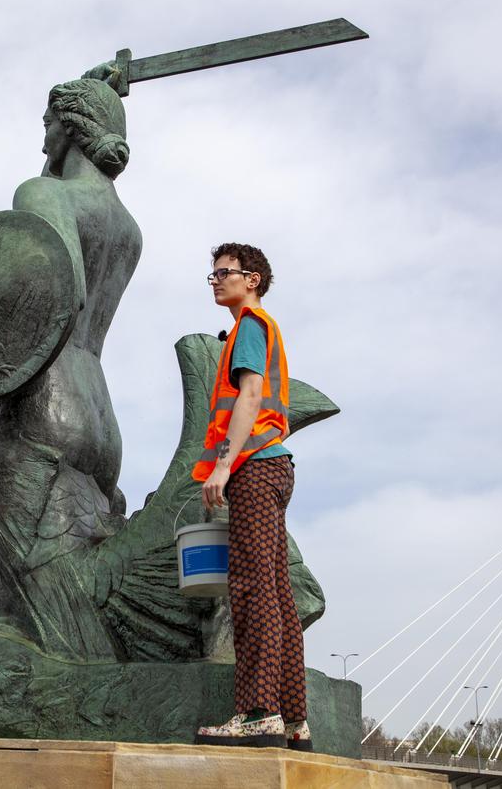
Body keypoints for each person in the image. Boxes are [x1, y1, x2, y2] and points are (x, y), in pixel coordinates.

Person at [0, 77, 143, 658]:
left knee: (54, 604)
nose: (42, 137)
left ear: (71, 128)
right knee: (20, 587)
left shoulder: (43, 195)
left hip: (43, 404)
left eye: (49, 124)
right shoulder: (127, 230)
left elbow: (55, 291)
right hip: (97, 410)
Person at [191, 244, 310, 751]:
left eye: (224, 273)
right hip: (274, 465)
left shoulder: (249, 327)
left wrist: (222, 465)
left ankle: (259, 714)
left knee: (252, 589)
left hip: (256, 466)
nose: (215, 281)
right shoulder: (258, 327)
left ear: (252, 278)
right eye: (212, 274)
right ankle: (293, 720)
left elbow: (251, 395)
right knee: (278, 595)